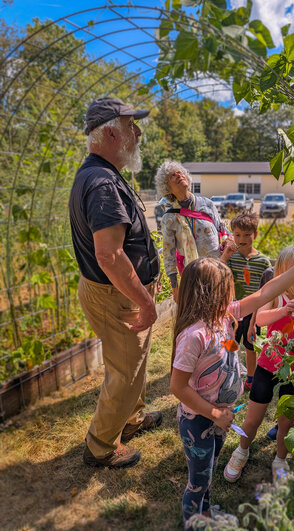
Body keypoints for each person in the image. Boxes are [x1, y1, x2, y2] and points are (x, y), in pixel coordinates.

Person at [170, 251, 294, 528]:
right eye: (227, 290)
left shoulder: (223, 316)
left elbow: (266, 291)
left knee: (209, 469)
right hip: (198, 420)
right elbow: (177, 386)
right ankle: (194, 522)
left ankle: (205, 512)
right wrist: (214, 413)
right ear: (209, 294)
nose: (233, 296)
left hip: (220, 415)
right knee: (198, 481)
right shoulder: (193, 336)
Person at [69, 97, 162, 468]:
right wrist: (146, 301)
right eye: (131, 126)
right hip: (117, 295)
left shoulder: (99, 174)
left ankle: (131, 418)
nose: (138, 133)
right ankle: (101, 445)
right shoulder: (103, 184)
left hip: (117, 292)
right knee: (124, 371)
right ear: (110, 133)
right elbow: (109, 256)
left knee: (132, 362)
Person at [224, 245, 294, 483]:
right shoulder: (276, 297)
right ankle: (242, 450)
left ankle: (280, 459)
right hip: (268, 365)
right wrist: (283, 310)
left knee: (287, 421)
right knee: (253, 419)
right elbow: (260, 319)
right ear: (283, 272)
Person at [155, 160, 228, 303]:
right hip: (193, 276)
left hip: (218, 270)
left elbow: (222, 229)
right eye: (173, 176)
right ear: (167, 188)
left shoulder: (207, 204)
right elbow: (169, 255)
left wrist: (228, 240)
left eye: (180, 173)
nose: (179, 175)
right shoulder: (169, 218)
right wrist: (175, 287)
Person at [220, 212, 271, 391]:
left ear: (255, 235)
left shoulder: (263, 262)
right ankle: (230, 375)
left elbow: (264, 292)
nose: (242, 239)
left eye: (247, 235)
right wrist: (225, 256)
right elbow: (219, 274)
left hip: (253, 312)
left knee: (250, 346)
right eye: (237, 235)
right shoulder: (231, 258)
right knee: (229, 344)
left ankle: (250, 378)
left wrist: (254, 319)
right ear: (232, 235)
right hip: (232, 311)